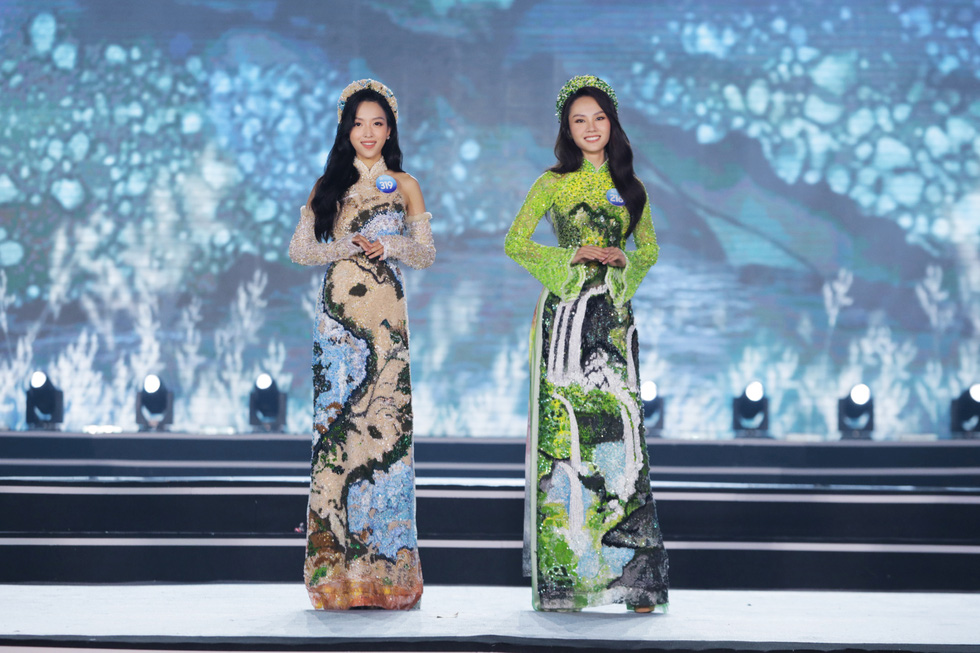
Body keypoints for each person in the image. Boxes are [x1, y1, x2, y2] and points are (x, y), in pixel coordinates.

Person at [504, 75, 669, 613]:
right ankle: (566, 579)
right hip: (567, 318)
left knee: (621, 436)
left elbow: (649, 250)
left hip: (614, 320)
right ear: (567, 130)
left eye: (598, 118)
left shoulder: (632, 185)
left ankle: (632, 578)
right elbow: (515, 241)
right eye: (579, 120)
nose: (590, 127)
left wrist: (625, 261)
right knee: (567, 437)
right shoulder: (551, 184)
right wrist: (570, 258)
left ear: (612, 123)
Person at [288, 78, 434, 610]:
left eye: (377, 123)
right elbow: (300, 249)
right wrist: (346, 245)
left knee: (386, 439)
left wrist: (390, 243)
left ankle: (389, 573)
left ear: (389, 129)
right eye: (357, 123)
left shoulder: (405, 183)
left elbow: (425, 254)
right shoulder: (328, 185)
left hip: (387, 321)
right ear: (346, 130)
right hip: (338, 325)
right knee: (336, 436)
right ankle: (336, 575)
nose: (367, 132)